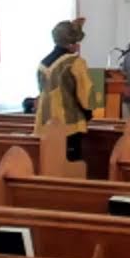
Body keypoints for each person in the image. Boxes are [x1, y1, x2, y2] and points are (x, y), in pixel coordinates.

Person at [34, 18, 93, 161]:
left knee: (50, 162)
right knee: (69, 163)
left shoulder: (43, 63)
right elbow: (85, 92)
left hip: (45, 120)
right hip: (68, 121)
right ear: (71, 43)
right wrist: (88, 111)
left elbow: (41, 90)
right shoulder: (75, 62)